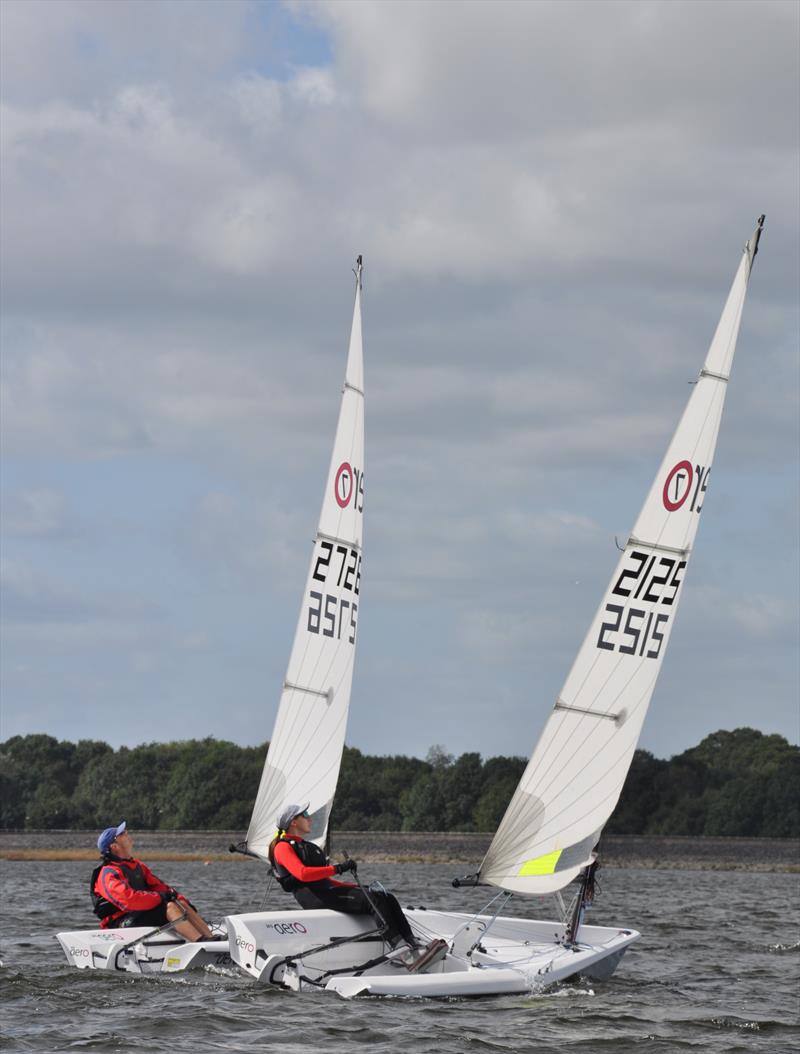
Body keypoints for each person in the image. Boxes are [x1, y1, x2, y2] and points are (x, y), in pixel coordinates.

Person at [268, 803, 419, 950]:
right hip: (315, 898)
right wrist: (338, 868)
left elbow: (324, 881)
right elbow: (303, 874)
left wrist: (355, 886)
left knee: (386, 897)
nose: (310, 819)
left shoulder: (303, 845)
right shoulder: (282, 847)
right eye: (305, 815)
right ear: (294, 822)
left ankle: (412, 942)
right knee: (374, 900)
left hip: (326, 892)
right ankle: (399, 949)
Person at [90, 821, 214, 941]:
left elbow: (161, 888)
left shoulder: (138, 866)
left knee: (180, 903)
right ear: (114, 846)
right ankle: (200, 943)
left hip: (138, 915)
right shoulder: (108, 874)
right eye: (122, 834)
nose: (127, 834)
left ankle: (211, 939)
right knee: (170, 907)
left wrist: (181, 900)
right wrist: (160, 898)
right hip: (118, 924)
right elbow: (129, 900)